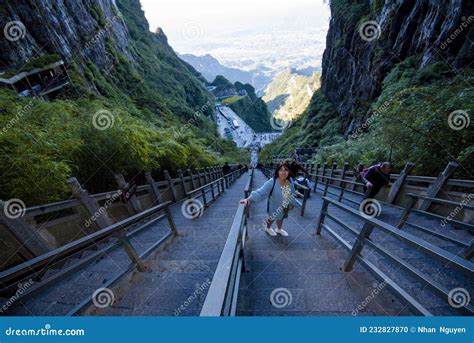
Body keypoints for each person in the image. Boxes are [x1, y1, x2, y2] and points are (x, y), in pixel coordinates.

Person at [240, 162, 299, 237]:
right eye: (281, 170)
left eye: (286, 170)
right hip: (274, 204)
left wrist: (292, 203)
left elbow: (292, 193)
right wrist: (247, 199)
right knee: (272, 217)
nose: (283, 172)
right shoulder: (272, 181)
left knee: (281, 217)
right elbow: (260, 192)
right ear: (277, 171)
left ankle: (279, 229)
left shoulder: (289, 181)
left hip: (285, 205)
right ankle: (268, 228)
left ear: (288, 172)